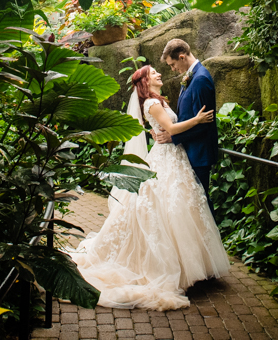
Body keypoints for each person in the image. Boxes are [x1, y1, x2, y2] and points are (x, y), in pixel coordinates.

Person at [69, 65, 230, 310]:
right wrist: (197, 120)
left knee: (179, 207)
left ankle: (192, 266)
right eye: (153, 72)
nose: (158, 74)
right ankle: (173, 267)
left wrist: (167, 131)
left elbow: (168, 129)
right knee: (167, 209)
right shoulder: (151, 104)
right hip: (166, 158)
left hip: (173, 156)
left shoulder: (159, 100)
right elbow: (173, 128)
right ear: (145, 81)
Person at [152, 39, 218, 219]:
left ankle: (212, 245)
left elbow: (204, 124)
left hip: (200, 153)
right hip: (191, 150)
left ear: (181, 57)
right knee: (195, 204)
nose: (172, 69)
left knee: (201, 202)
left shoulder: (200, 79)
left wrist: (173, 137)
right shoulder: (191, 77)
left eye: (172, 64)